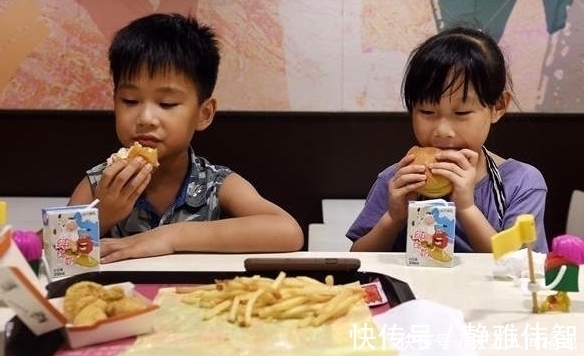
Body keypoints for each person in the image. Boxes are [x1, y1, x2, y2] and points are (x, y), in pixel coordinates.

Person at [67, 13, 304, 263]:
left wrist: (171, 237)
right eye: (130, 101)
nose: (146, 118)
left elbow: (288, 231)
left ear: (204, 114)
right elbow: (52, 254)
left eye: (167, 103)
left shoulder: (216, 184)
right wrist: (101, 214)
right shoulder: (98, 183)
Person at [348, 26, 549, 254]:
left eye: (461, 113)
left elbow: (522, 268)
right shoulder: (397, 179)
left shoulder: (521, 183)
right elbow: (359, 257)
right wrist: (393, 217)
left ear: (498, 106)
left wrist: (466, 207)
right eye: (426, 112)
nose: (443, 131)